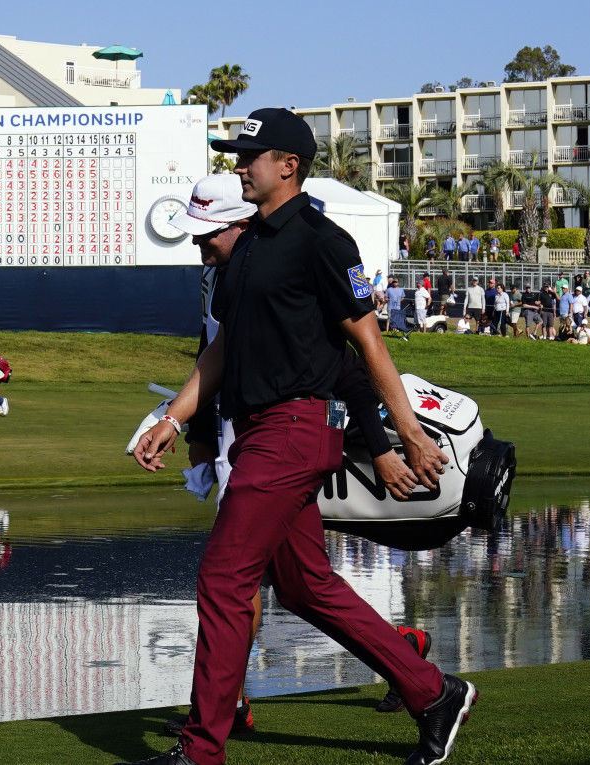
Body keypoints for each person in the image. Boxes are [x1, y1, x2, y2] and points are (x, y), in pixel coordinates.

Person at [124, 108, 474, 765]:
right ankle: (433, 692)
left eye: (247, 156)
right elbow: (220, 349)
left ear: (287, 165)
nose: (238, 165)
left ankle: (201, 750)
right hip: (256, 433)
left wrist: (402, 432)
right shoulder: (248, 246)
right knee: (306, 587)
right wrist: (172, 420)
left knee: (224, 581)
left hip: (290, 430)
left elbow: (366, 342)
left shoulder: (321, 240)